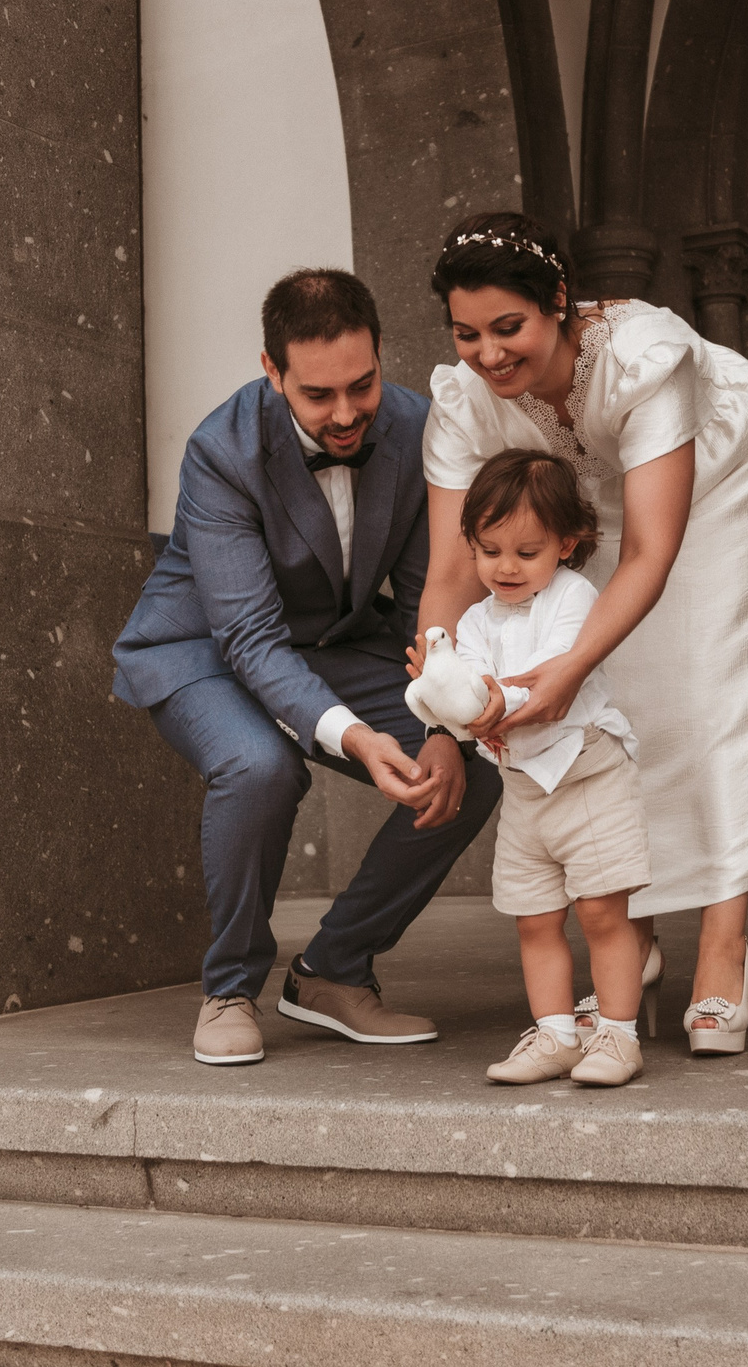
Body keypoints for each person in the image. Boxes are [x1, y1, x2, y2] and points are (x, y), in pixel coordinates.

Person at [415, 214, 748, 1055]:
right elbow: (450, 573)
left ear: (559, 304)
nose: (489, 354)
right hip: (575, 501)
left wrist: (568, 666)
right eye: (468, 334)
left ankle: (724, 941)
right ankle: (632, 930)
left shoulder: (645, 356)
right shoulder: (462, 402)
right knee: (628, 698)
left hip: (721, 470)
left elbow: (651, 549)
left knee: (715, 683)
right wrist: (441, 699)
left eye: (510, 328)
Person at [114, 269, 502, 1065]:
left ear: (381, 353)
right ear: (272, 370)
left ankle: (331, 971)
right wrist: (357, 738)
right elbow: (249, 637)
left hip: (335, 644)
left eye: (362, 385)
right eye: (318, 395)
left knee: (474, 770)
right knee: (261, 768)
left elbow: (433, 591)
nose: (347, 413)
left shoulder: (421, 426)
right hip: (205, 649)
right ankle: (228, 987)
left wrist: (441, 718)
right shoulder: (221, 450)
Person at [406, 450, 651, 1087]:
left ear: (567, 544)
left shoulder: (575, 597)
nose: (505, 568)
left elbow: (542, 678)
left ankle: (618, 1037)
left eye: (526, 551)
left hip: (587, 774)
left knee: (603, 913)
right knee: (535, 917)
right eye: (489, 551)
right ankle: (555, 1033)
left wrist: (483, 701)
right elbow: (465, 684)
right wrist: (440, 690)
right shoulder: (473, 619)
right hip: (523, 790)